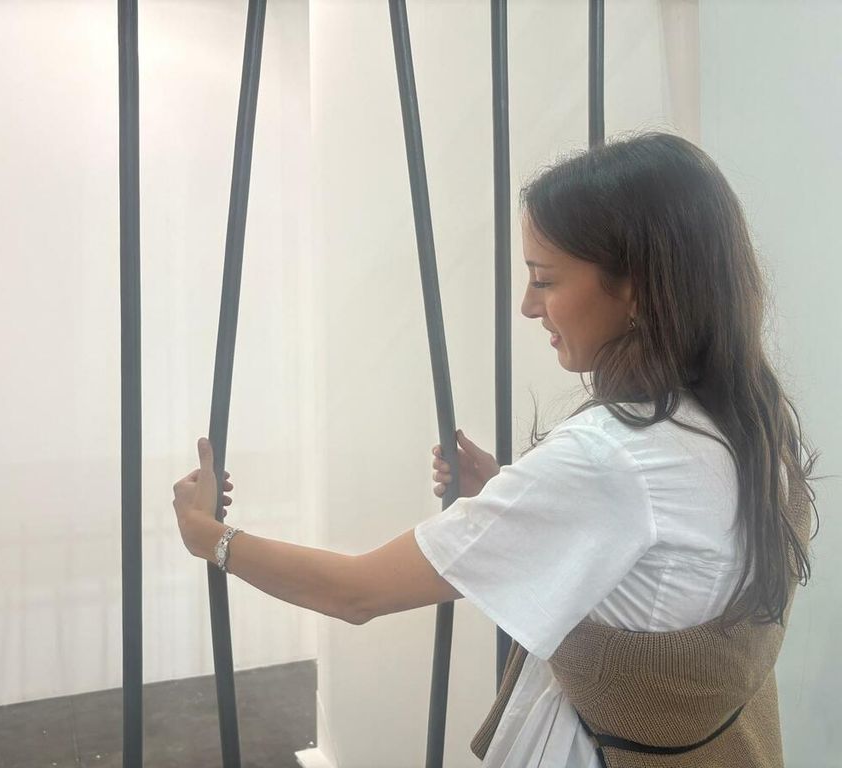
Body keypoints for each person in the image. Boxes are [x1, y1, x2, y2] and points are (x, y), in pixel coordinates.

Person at [172, 132, 819, 766]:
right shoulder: (746, 422)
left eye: (545, 279)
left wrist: (211, 538)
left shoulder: (611, 457)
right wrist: (510, 494)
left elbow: (356, 592)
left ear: (633, 286)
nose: (527, 306)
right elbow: (657, 560)